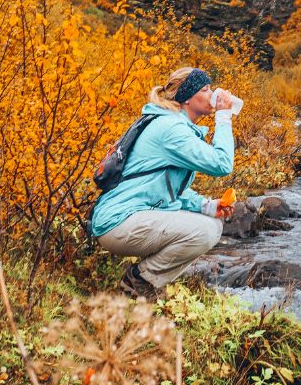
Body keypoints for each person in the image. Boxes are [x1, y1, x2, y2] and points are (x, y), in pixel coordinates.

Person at [90, 67, 243, 298]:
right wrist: (224, 116)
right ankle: (139, 282)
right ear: (188, 98)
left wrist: (207, 205)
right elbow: (222, 164)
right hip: (119, 222)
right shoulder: (172, 129)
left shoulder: (171, 124)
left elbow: (166, 189)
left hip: (126, 219)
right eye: (205, 89)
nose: (213, 94)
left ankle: (143, 283)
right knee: (208, 230)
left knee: (209, 220)